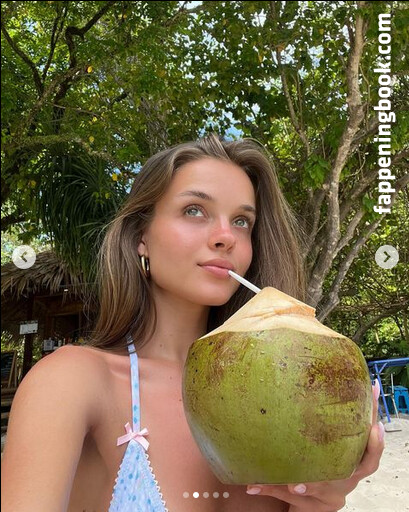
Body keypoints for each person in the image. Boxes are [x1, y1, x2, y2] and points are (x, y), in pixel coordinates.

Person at [1, 135, 383, 512]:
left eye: (242, 221)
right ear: (140, 237)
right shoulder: (71, 381)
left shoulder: (289, 390)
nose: (226, 237)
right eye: (194, 210)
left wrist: (316, 505)